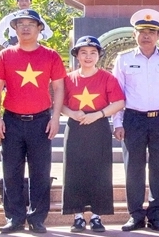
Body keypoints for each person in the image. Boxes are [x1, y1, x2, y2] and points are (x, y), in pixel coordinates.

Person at [0, 9, 66, 234]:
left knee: (40, 172)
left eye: (30, 24)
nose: (25, 28)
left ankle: (37, 218)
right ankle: (14, 217)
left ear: (39, 28)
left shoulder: (51, 55)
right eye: (20, 24)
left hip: (41, 120)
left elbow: (59, 87)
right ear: (14, 28)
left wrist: (55, 117)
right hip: (11, 121)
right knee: (11, 171)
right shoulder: (5, 55)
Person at [111, 9, 159, 232]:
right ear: (134, 34)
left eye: (151, 31)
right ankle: (135, 215)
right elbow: (117, 94)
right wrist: (118, 122)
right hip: (133, 119)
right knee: (133, 168)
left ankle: (155, 214)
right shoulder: (123, 59)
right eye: (142, 31)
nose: (146, 35)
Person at [62, 36, 125, 233]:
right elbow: (59, 103)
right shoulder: (68, 79)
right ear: (77, 56)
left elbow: (119, 103)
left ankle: (97, 216)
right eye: (83, 52)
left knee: (100, 171)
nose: (88, 57)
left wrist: (98, 115)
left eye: (93, 53)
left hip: (99, 128)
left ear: (98, 55)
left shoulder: (108, 78)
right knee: (73, 171)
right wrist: (72, 113)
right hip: (75, 128)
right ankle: (78, 216)